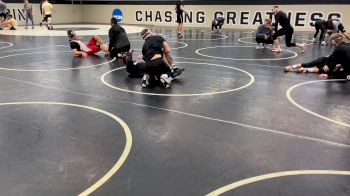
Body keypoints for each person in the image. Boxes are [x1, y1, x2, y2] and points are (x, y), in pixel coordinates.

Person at [284, 33, 350, 80]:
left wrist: (328, 75)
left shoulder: (338, 48)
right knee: (324, 62)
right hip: (341, 63)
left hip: (346, 70)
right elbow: (332, 58)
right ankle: (294, 67)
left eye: (331, 42)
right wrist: (328, 65)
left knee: (331, 71)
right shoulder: (346, 45)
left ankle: (300, 68)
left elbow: (333, 62)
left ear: (334, 41)